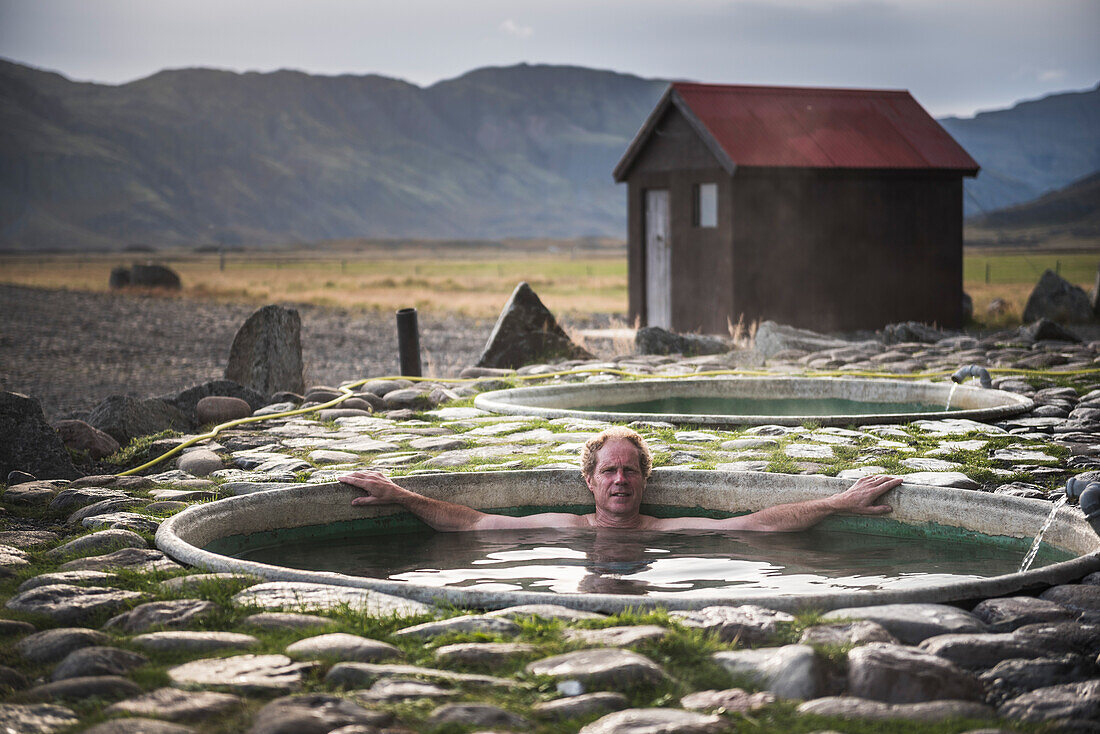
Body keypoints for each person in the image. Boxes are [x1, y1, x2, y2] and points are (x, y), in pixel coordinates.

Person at [338, 426, 901, 533]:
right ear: (590, 481)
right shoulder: (564, 526)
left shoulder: (663, 529)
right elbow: (473, 522)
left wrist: (838, 503)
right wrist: (398, 494)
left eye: (631, 470)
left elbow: (757, 522)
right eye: (609, 470)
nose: (621, 479)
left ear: (644, 480)